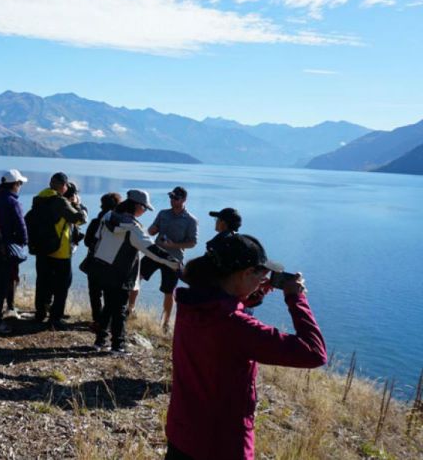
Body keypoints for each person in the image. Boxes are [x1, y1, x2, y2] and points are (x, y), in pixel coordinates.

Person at [165, 234, 326, 460]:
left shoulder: (190, 303)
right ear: (245, 273)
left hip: (182, 434)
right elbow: (314, 353)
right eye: (261, 274)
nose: (264, 280)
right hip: (223, 445)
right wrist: (295, 298)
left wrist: (247, 295)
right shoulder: (237, 327)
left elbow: (217, 305)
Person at [84, 189, 179, 353]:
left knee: (108, 306)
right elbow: (151, 249)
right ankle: (117, 346)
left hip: (102, 268)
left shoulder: (108, 217)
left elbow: (96, 239)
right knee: (119, 310)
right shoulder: (133, 228)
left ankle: (100, 342)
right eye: (144, 208)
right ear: (137, 205)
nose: (144, 211)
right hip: (121, 272)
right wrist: (175, 264)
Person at [27, 172, 88, 329]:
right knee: (62, 285)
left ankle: (40, 313)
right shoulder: (60, 202)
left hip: (42, 249)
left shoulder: (39, 199)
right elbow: (80, 219)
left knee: (43, 282)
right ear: (63, 186)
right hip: (60, 251)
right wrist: (77, 205)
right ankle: (56, 317)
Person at [143, 186, 198, 331]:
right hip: (155, 253)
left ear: (184, 199)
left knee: (168, 291)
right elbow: (151, 229)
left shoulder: (191, 220)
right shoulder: (163, 213)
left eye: (176, 198)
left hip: (173, 258)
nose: (172, 200)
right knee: (135, 276)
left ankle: (165, 323)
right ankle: (129, 309)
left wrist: (175, 244)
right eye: (171, 197)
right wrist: (153, 230)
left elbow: (192, 242)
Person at [0, 169, 28, 334]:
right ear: (15, 184)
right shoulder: (12, 202)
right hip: (4, 249)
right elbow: (21, 225)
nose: (21, 186)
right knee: (2, 285)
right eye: (20, 183)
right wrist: (23, 242)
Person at [83, 192, 121, 328]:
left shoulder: (95, 222)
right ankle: (107, 320)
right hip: (110, 263)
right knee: (108, 293)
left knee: (94, 293)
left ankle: (97, 319)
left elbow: (87, 242)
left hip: (93, 262)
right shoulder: (118, 224)